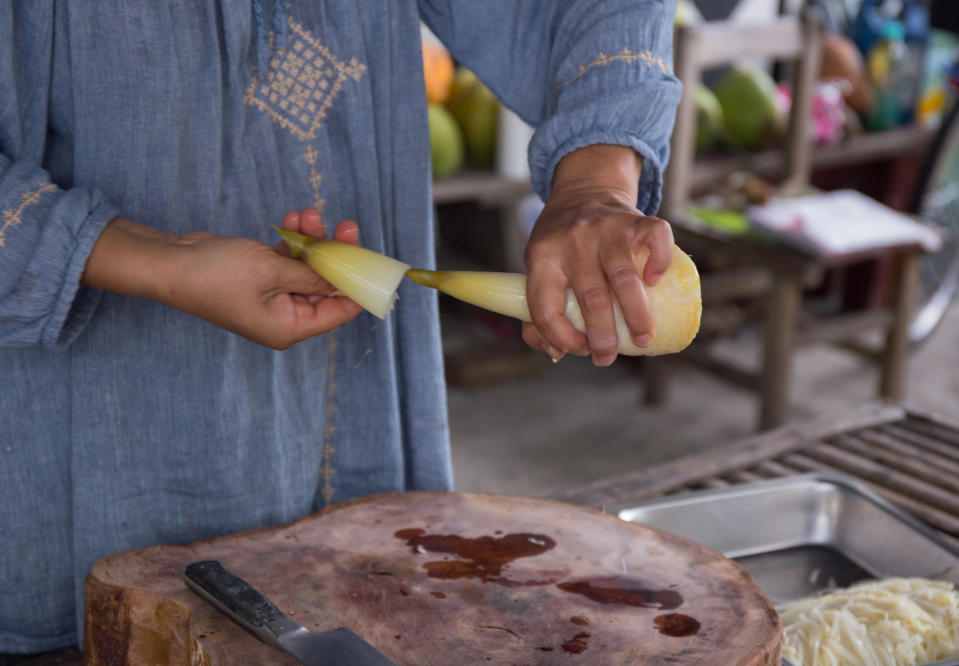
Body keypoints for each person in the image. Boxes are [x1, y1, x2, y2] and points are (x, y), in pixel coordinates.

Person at [0, 0, 680, 654]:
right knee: (132, 631)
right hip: (83, 440)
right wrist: (159, 263)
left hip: (355, 407)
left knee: (372, 610)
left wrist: (595, 182)